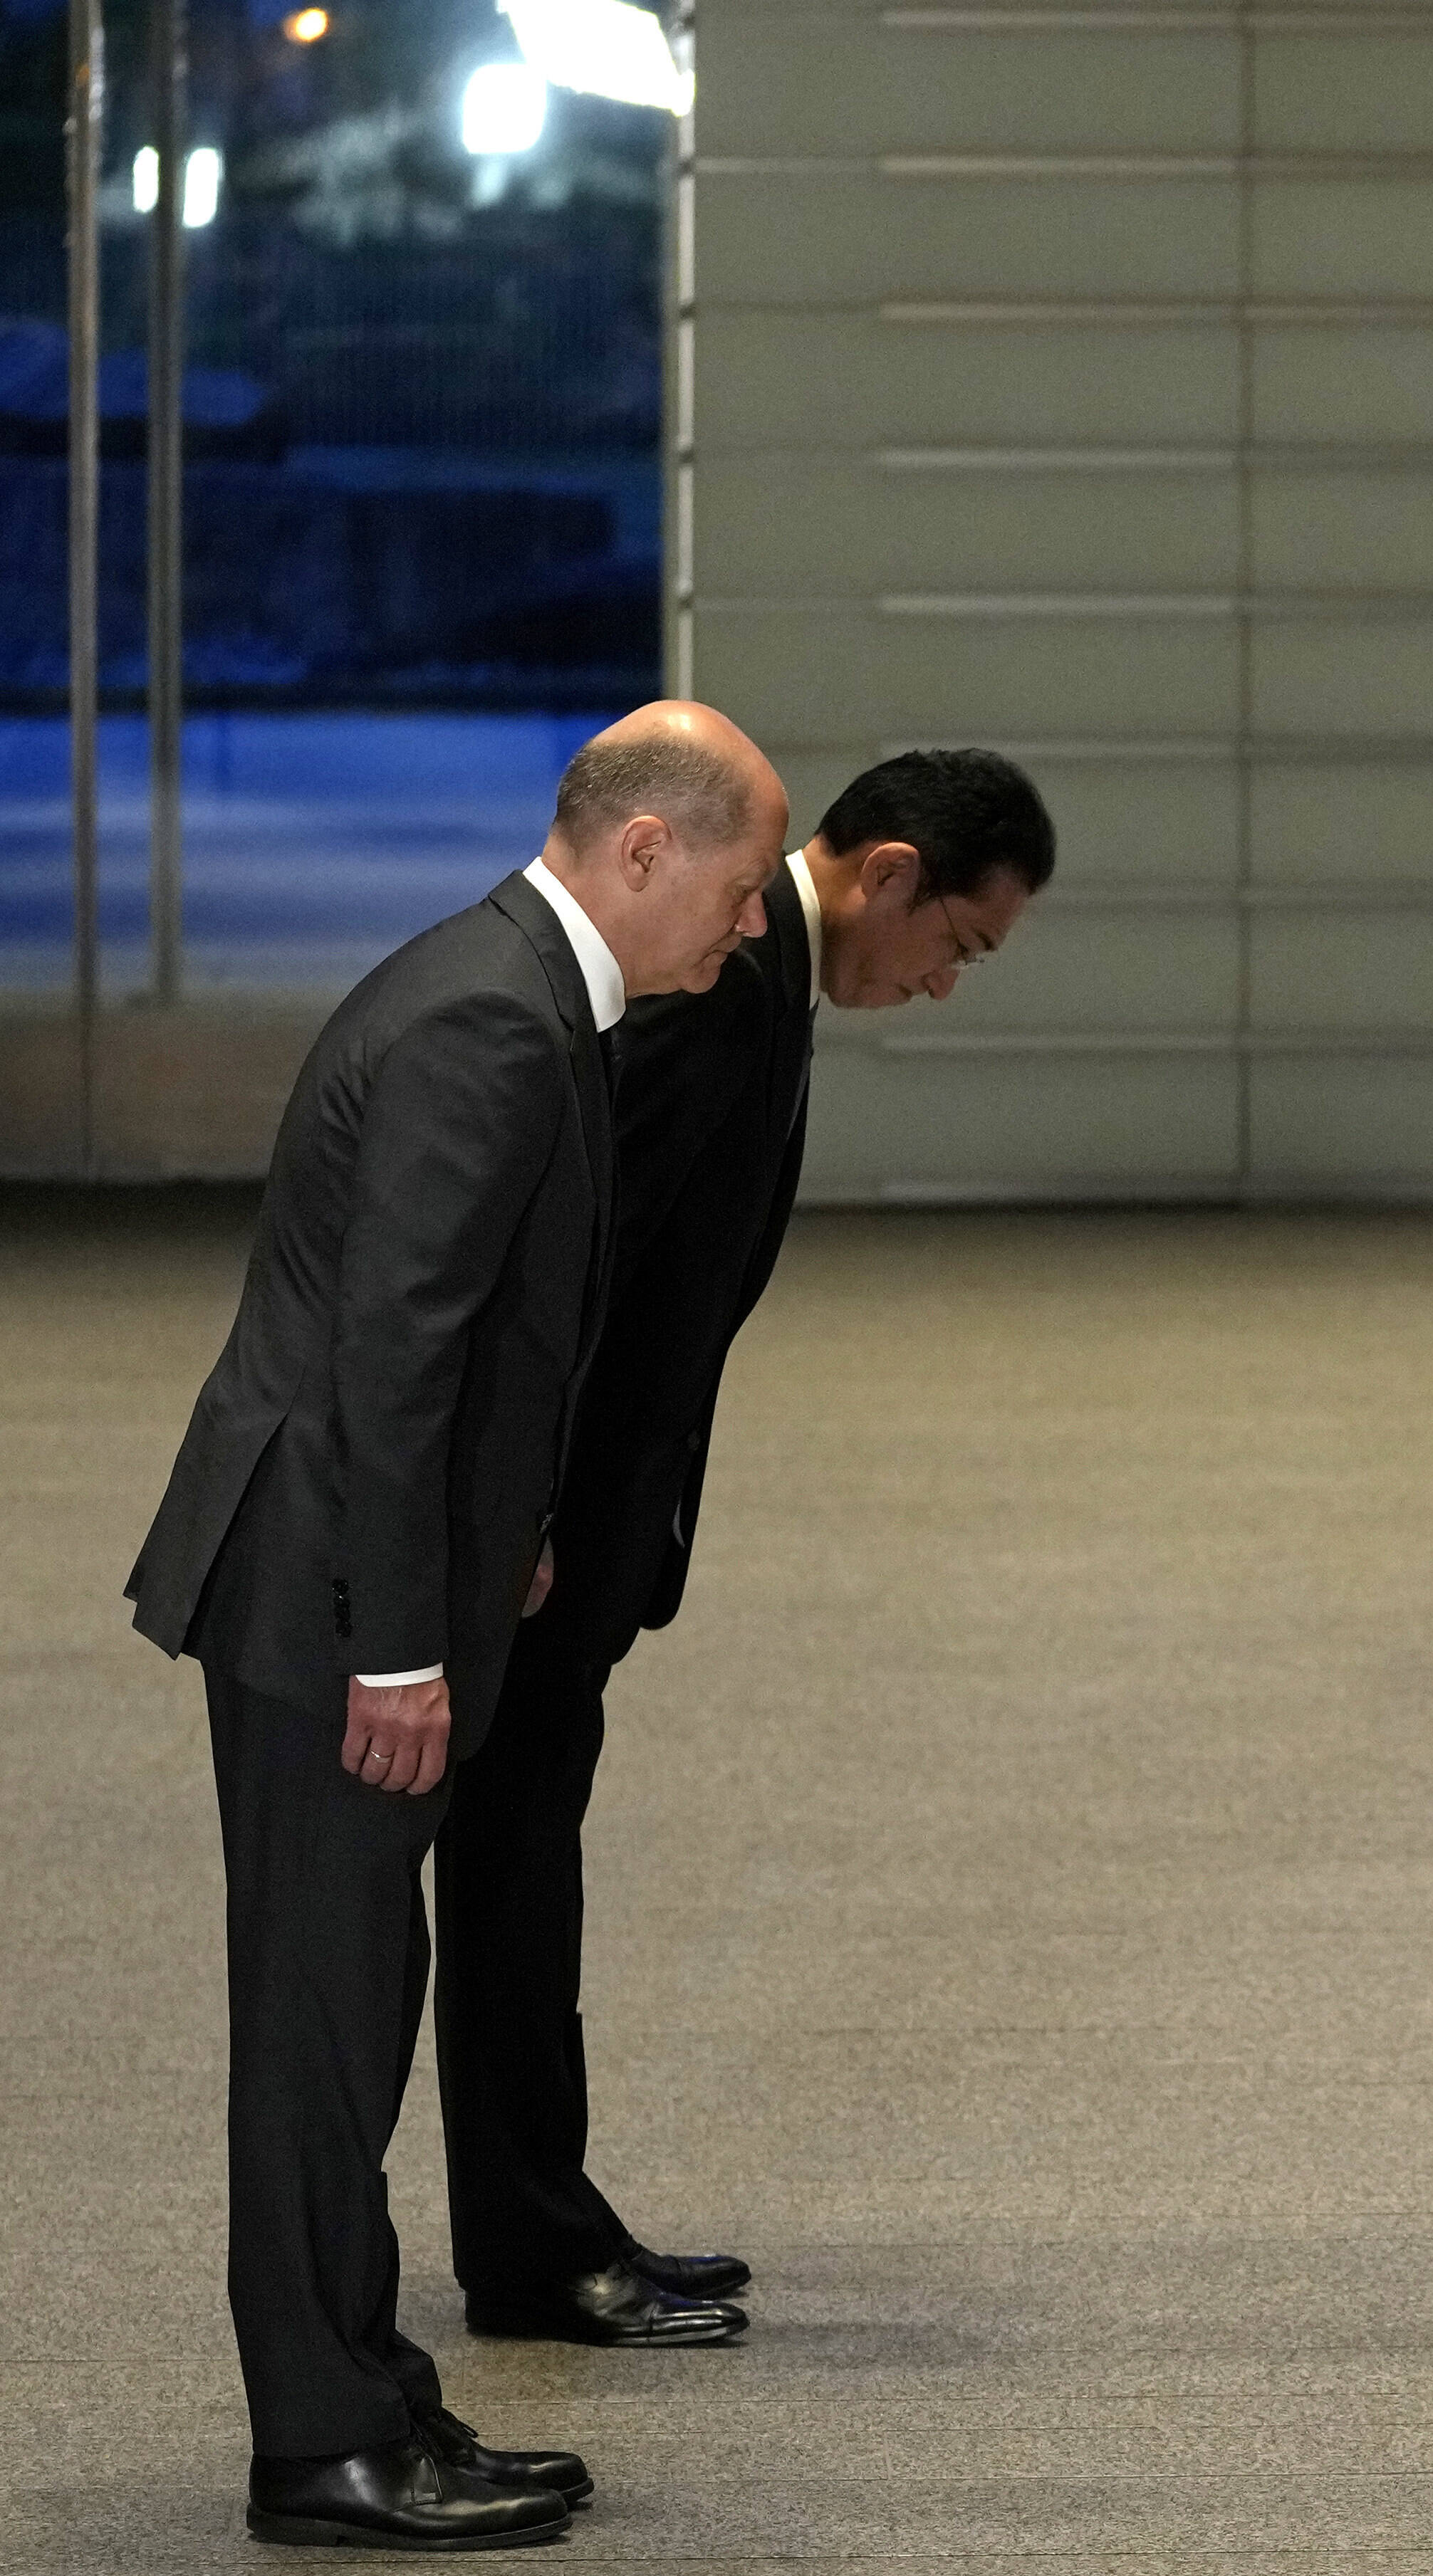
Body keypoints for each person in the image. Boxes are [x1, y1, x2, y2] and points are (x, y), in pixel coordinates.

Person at [123, 702, 785, 2549]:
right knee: (325, 2021)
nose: (745, 933)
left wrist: (502, 1548)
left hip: (368, 1567)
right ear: (640, 850)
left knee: (357, 2001)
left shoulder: (523, 992)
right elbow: (391, 1354)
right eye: (736, 893)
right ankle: (325, 2441)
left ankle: (365, 2387)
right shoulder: (493, 1018)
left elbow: (478, 1334)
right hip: (327, 1592)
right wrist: (402, 1639)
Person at [435, 748, 1058, 2352]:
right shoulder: (726, 976)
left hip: (585, 1511)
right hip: (545, 1526)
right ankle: (528, 2244)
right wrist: (540, 1520)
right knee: (511, 1866)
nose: (940, 988)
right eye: (958, 948)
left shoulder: (756, 978)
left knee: (529, 1857)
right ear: (894, 872)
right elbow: (578, 1260)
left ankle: (546, 2219)